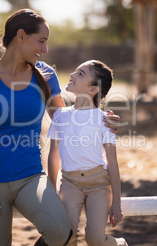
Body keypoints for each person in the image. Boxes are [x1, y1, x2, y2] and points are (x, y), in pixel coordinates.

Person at [0, 9, 120, 246]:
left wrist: (102, 118)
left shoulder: (45, 74)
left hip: (30, 178)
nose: (45, 50)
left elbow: (65, 119)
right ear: (21, 36)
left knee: (62, 234)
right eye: (41, 41)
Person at [47, 60, 128, 246]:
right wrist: (52, 188)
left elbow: (112, 163)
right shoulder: (60, 116)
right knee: (65, 237)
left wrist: (116, 203)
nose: (72, 75)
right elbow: (53, 154)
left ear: (93, 90)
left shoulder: (105, 120)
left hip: (99, 184)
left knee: (95, 240)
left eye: (81, 74)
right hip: (70, 183)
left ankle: (120, 244)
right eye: (75, 71)